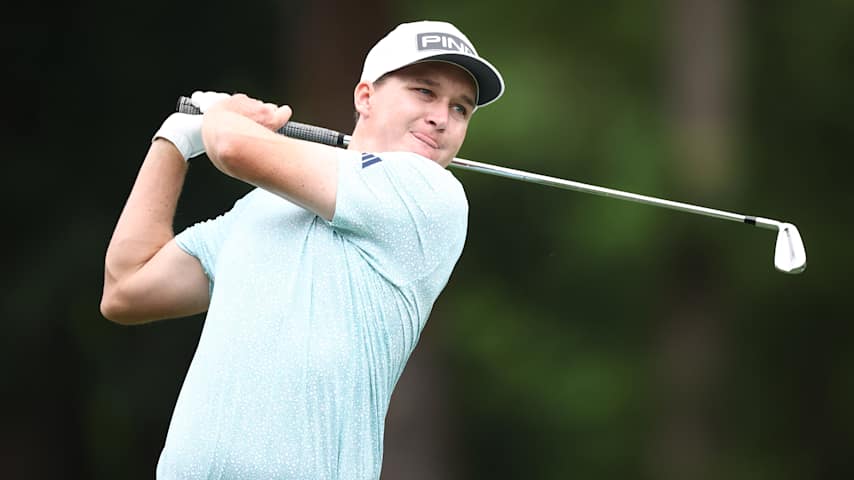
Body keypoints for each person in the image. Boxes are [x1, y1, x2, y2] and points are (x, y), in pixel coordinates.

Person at [100, 20, 504, 479]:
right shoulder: (259, 209)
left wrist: (221, 117)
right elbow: (125, 289)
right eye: (424, 92)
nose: (441, 117)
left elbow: (232, 146)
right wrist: (173, 140)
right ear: (365, 97)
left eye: (460, 109)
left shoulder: (432, 196)